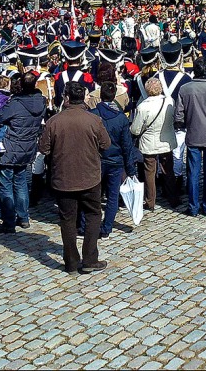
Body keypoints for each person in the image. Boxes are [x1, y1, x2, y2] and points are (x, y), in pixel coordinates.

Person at [37, 82, 111, 274]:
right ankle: (89, 259)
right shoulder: (93, 120)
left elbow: (43, 148)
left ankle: (71, 262)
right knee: (93, 215)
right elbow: (106, 144)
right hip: (89, 176)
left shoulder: (54, 121)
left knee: (68, 220)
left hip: (64, 178)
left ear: (66, 98)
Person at [0, 70, 45, 234]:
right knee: (20, 183)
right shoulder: (41, 101)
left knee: (5, 186)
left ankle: (9, 221)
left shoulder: (15, 104)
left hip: (9, 149)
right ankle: (24, 217)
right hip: (27, 148)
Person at [174, 57, 206, 217]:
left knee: (193, 172)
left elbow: (178, 116)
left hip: (193, 134)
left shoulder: (184, 89)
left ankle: (193, 206)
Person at [91, 81, 141, 237]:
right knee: (112, 197)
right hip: (114, 161)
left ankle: (88, 225)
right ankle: (106, 228)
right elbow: (127, 146)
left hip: (98, 160)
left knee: (94, 195)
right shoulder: (120, 118)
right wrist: (131, 169)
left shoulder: (93, 114)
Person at [129, 76, 179, 211]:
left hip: (149, 143)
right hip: (166, 141)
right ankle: (173, 197)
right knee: (168, 170)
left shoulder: (143, 107)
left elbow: (135, 129)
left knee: (149, 173)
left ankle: (150, 201)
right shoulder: (169, 101)